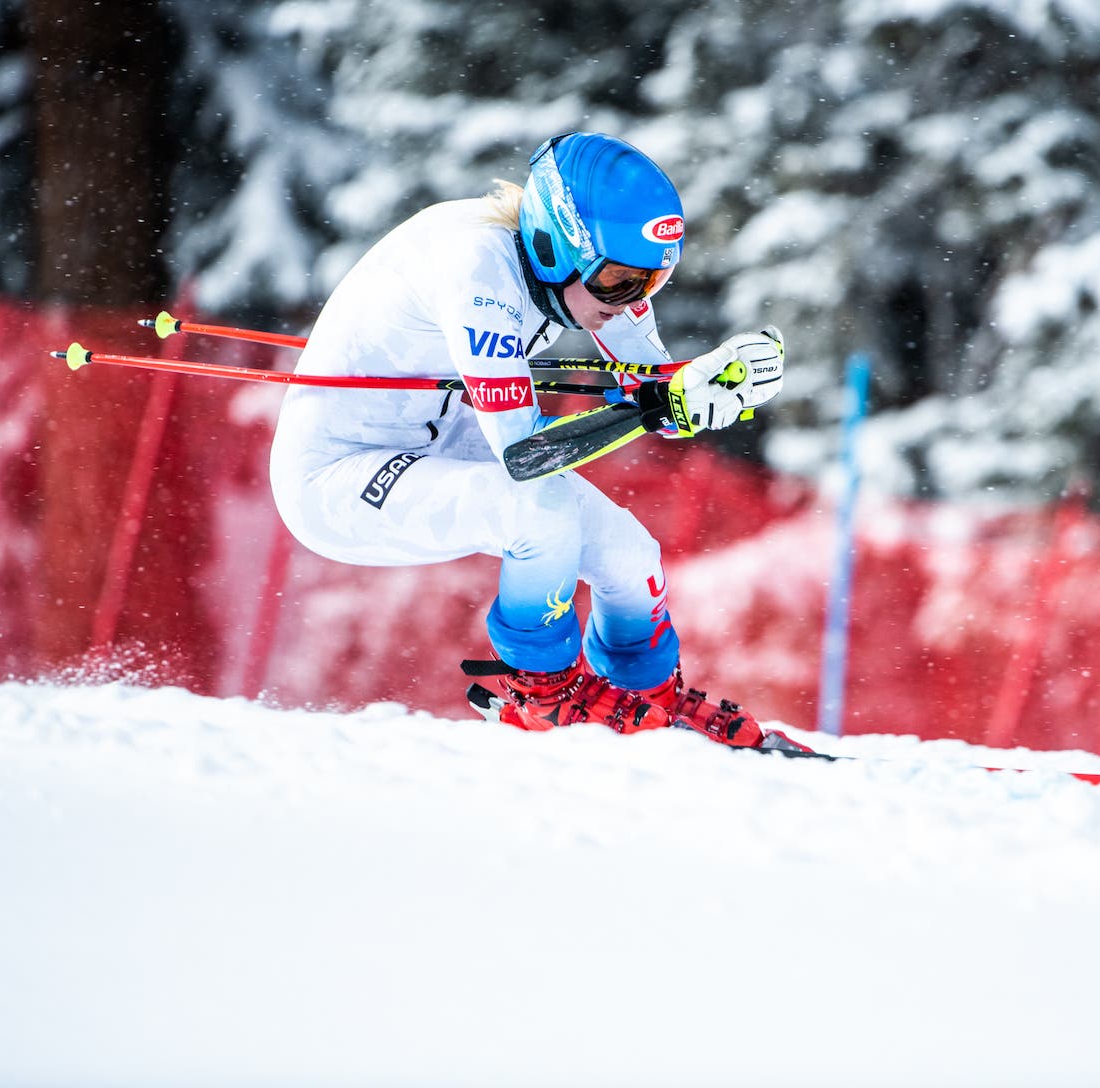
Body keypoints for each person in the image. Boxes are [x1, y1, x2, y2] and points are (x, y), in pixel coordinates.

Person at [269, 132, 809, 752]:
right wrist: (661, 405)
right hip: (340, 478)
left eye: (652, 283)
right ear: (556, 247)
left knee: (633, 556)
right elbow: (526, 458)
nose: (632, 301)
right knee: (540, 512)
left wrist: (710, 381)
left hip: (441, 445)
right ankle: (544, 694)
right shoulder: (477, 269)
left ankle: (648, 698)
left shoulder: (595, 273)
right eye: (619, 284)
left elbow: (652, 384)